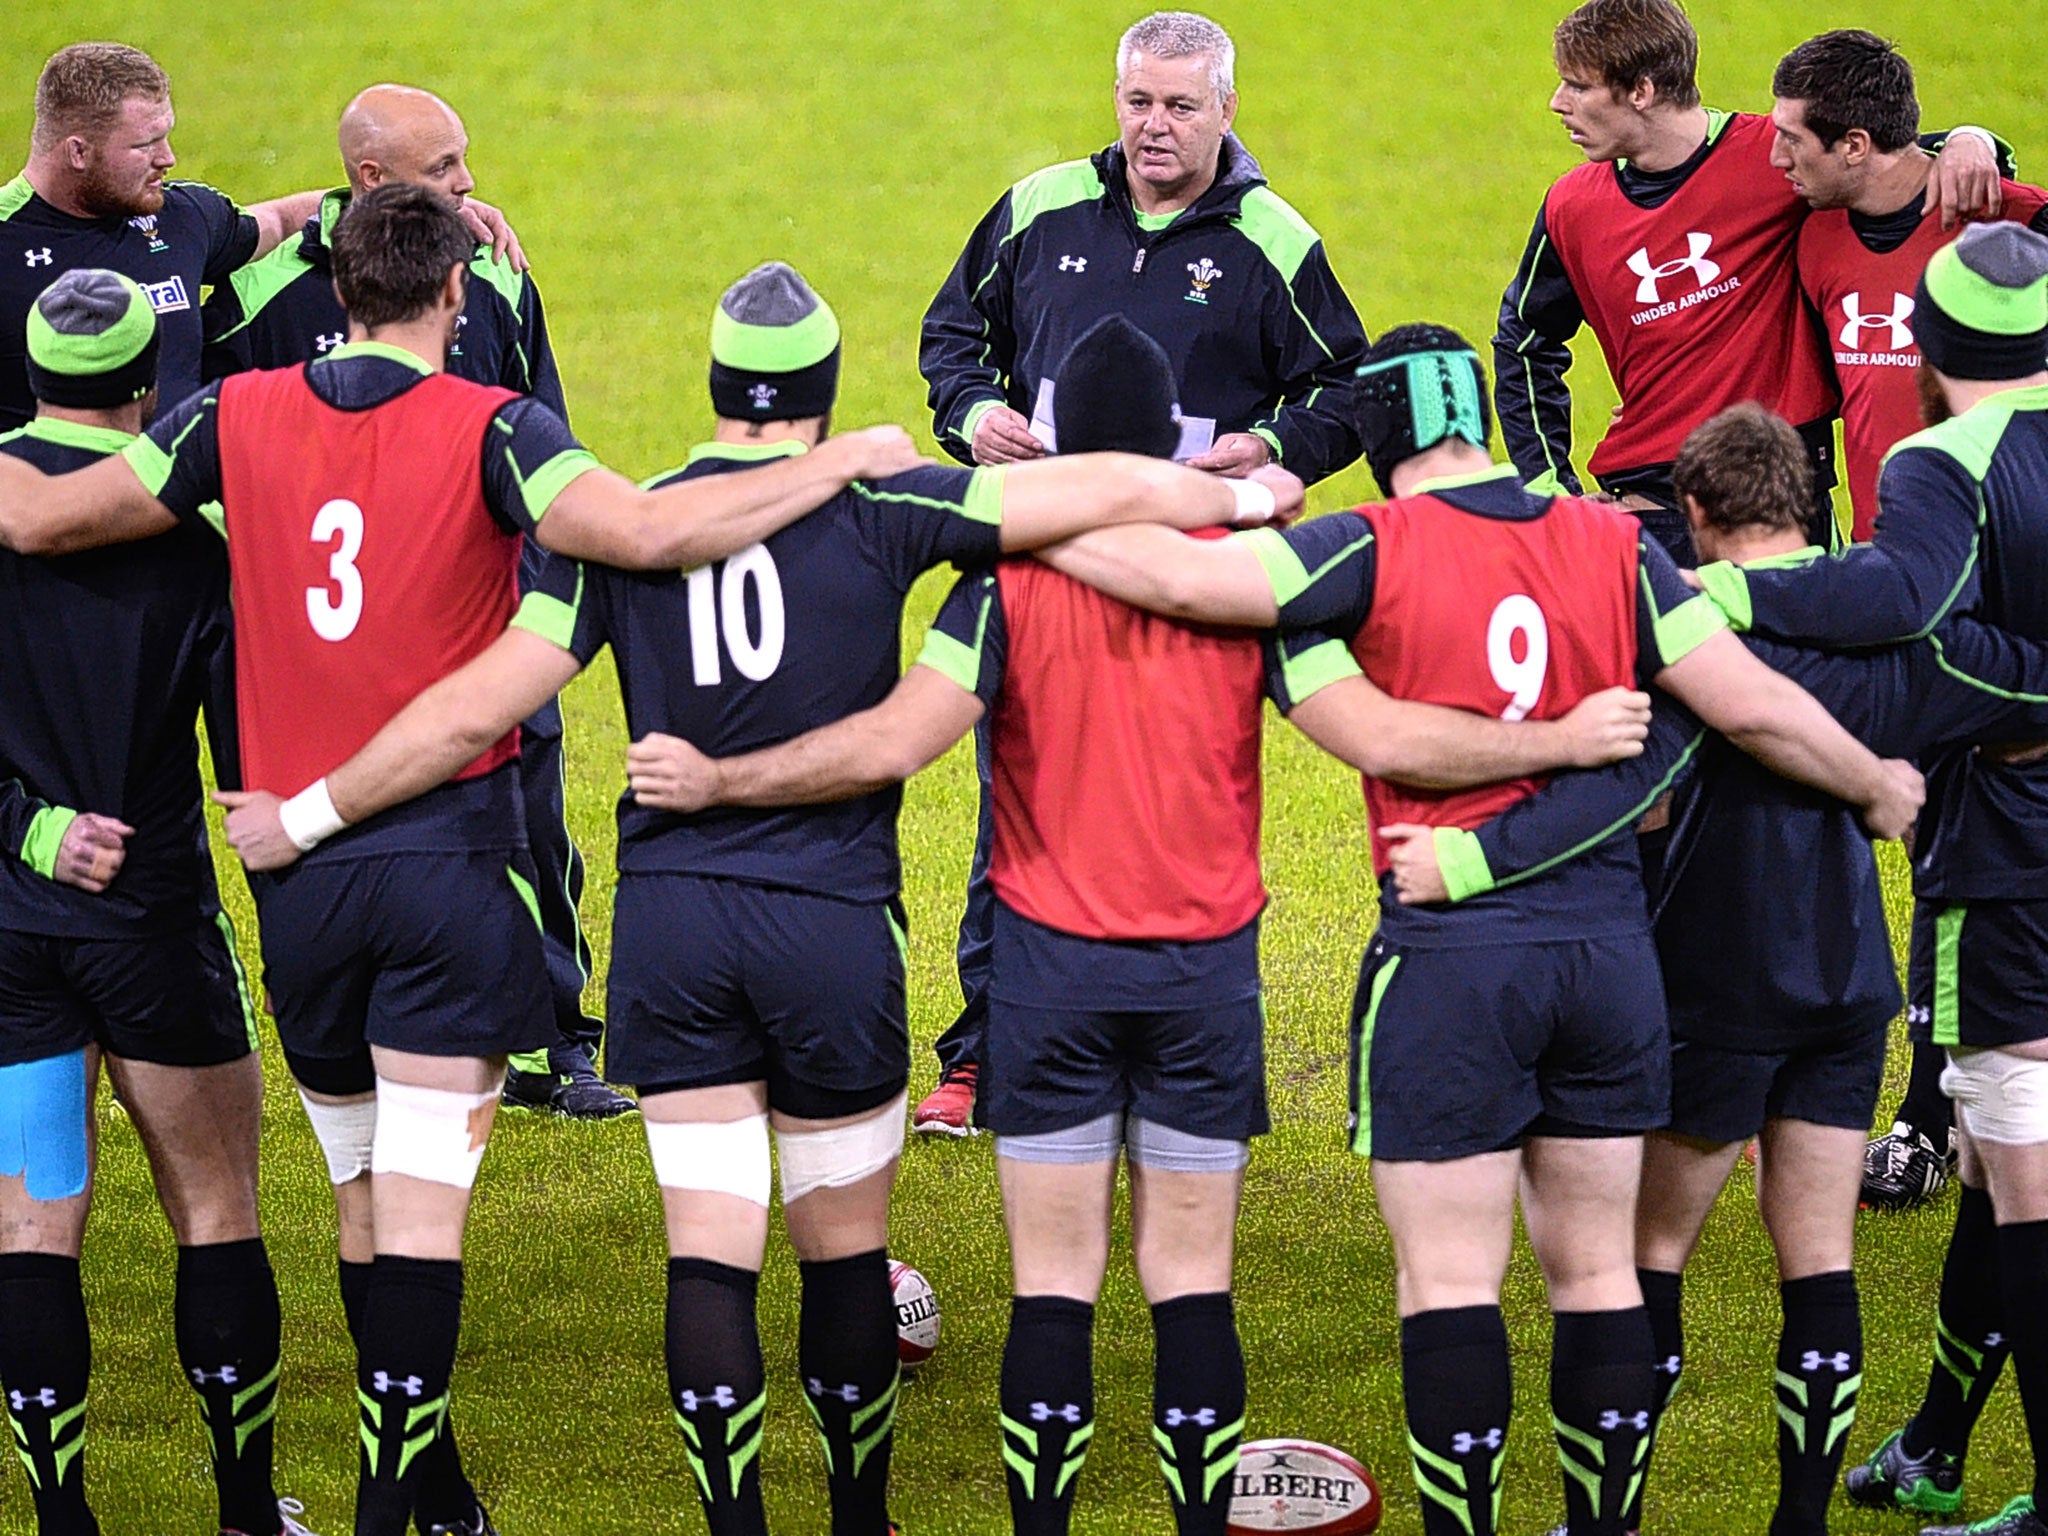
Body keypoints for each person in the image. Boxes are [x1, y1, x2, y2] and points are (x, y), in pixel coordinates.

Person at [194, 266, 1349, 1536]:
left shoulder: (623, 525)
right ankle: (859, 1516)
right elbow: (1091, 489)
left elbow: (480, 701)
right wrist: (1241, 492)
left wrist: (309, 810)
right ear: (821, 388)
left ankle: (735, 1524)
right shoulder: (883, 501)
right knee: (841, 1248)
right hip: (833, 930)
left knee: (710, 1252)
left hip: (674, 934)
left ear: (712, 385)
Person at [610, 314, 1665, 1536]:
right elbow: (1366, 732)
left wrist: (720, 779)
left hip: (1046, 975)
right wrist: (1547, 751)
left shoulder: (1000, 586)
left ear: (1056, 444)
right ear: (1172, 437)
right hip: (1203, 975)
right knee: (1191, 1290)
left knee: (1051, 1292)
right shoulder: (1241, 590)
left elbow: (903, 737)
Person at [0, 186, 930, 1536]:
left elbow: (44, 522)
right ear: (451, 297)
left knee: (360, 1192)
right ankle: (397, 1504)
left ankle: (422, 1489)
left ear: (336, 292)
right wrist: (840, 463)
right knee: (423, 1204)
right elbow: (658, 534)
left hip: (296, 882)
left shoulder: (230, 412)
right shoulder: (502, 428)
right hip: (446, 862)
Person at [992, 324, 1921, 1536]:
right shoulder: (1614, 545)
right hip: (1606, 966)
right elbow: (1750, 705)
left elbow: (1170, 576)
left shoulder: (1362, 546)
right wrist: (1872, 783)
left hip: (1449, 964)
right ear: (1475, 417)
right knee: (1595, 1273)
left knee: (1448, 1282)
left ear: (1376, 438)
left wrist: (999, 513)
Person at [1380, 403, 2048, 1536]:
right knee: (1818, 1259)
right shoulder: (1888, 635)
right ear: (1803, 504)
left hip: (1714, 982)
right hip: (1848, 984)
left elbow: (1627, 799)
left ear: (1690, 514)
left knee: (1641, 1258)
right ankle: (1798, 1525)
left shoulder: (1682, 636)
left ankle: (1610, 1518)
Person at [914, 8, 1370, 1132]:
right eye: (1136, 101)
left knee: (1183, 811)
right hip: (1043, 555)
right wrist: (972, 415)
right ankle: (984, 1057)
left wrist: (1269, 446)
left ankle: (1177, 1061)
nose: (1152, 127)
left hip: (1190, 578)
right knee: (1014, 804)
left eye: (1178, 106)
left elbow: (1344, 390)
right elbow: (950, 341)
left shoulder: (1271, 241)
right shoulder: (1037, 209)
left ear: (1224, 110)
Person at [1696, 223, 2048, 1536]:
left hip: (2009, 858)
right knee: (1991, 1162)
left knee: (2019, 1171)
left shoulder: (1936, 461)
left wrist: (1722, 601)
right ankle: (1939, 1447)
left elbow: (1906, 610)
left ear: (1933, 356)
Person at [200, 81, 625, 1121]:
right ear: (370, 179)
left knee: (529, 823)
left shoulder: (491, 273)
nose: (469, 185)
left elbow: (542, 427)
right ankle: (339, 1035)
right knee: (327, 821)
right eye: (443, 170)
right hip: (330, 633)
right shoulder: (256, 300)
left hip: (481, 618)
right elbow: (206, 456)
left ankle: (556, 1041)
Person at [0, 270, 310, 1536]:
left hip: (12, 932)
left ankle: (60, 1519)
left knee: (33, 1217)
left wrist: (26, 827)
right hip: (154, 924)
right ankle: (246, 1512)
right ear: (148, 388)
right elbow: (250, 773)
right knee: (217, 1209)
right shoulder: (196, 544)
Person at [1769, 27, 2048, 1211]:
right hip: (1904, 577)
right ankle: (1947, 1109)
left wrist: (1978, 145)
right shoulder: (1809, 231)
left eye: (1792, 137)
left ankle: (1936, 1119)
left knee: (1968, 854)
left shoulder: (2000, 214)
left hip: (2006, 572)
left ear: (1856, 142)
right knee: (1946, 850)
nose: (1769, 154)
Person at [1491, 0, 2001, 562]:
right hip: (1652, 505)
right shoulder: (1572, 206)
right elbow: (1524, 344)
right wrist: (1548, 494)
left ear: (1641, 91)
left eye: (1577, 86)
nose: (1557, 103)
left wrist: (1972, 141)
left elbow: (1885, 160)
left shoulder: (1781, 161)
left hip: (1780, 503)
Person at [0, 43, 522, 435]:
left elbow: (275, 220)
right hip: (40, 539)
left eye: (167, 134)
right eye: (145, 144)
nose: (169, 158)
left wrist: (418, 203)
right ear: (77, 152)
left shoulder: (181, 218)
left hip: (174, 548)